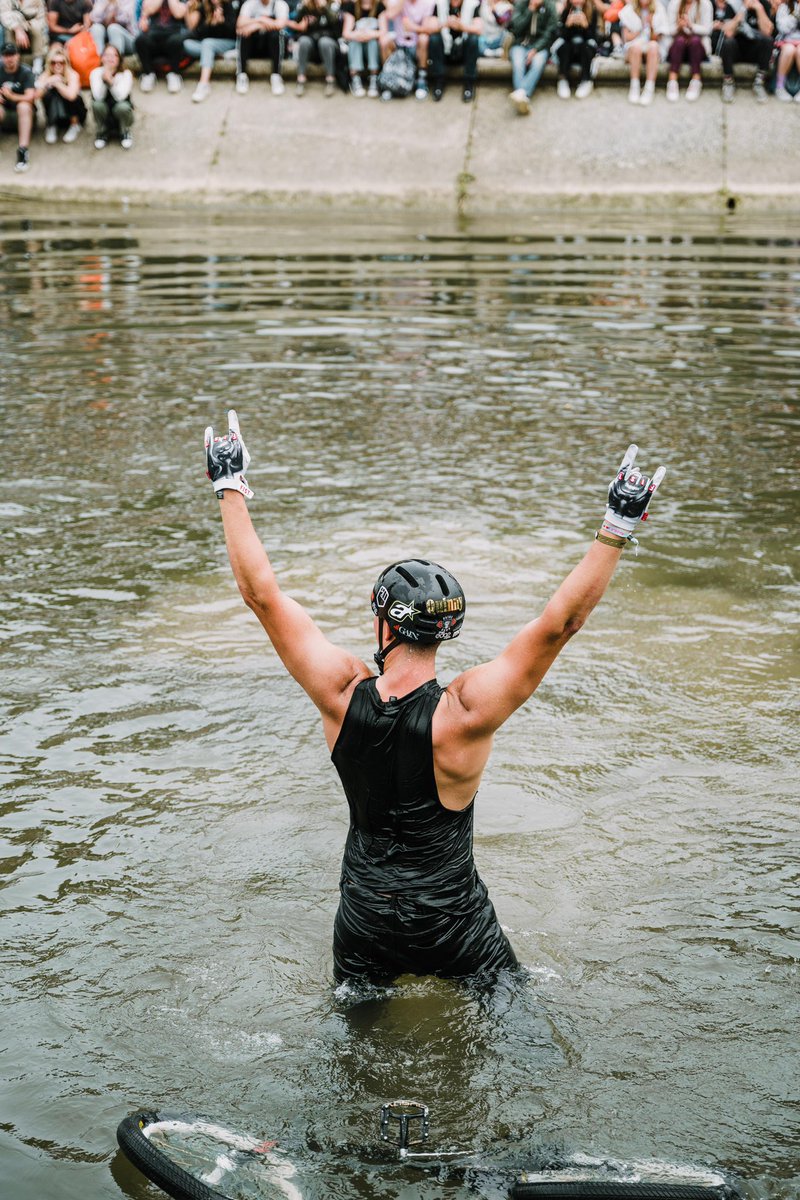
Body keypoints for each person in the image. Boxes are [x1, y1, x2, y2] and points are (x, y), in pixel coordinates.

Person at [204, 412, 666, 986]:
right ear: (447, 630)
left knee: (357, 1059)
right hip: (451, 922)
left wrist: (229, 485)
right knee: (512, 1025)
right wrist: (616, 525)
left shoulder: (339, 693)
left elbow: (260, 595)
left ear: (383, 622)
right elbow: (560, 624)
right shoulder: (465, 714)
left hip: (364, 918)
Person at [712, 0, 773, 101]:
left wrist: (759, 9)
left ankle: (759, 83)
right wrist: (742, 11)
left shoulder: (764, 4)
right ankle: (728, 82)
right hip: (737, 49)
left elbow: (767, 32)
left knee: (768, 41)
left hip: (754, 49)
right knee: (728, 43)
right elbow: (728, 32)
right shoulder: (732, 5)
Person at [507, 0, 558, 114]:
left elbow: (550, 33)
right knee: (518, 63)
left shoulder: (550, 6)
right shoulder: (521, 3)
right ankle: (523, 96)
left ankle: (520, 93)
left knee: (538, 63)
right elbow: (516, 28)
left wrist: (535, 49)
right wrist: (530, 10)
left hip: (540, 47)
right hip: (520, 44)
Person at [184, 0, 239, 101]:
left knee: (208, 43)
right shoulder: (204, 7)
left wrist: (222, 22)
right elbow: (198, 33)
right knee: (186, 44)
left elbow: (234, 32)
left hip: (227, 42)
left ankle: (204, 84)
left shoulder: (229, 6)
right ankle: (215, 55)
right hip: (208, 44)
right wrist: (211, 24)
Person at [381, 0, 436, 98]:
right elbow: (389, 15)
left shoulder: (428, 3)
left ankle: (421, 81)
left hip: (416, 45)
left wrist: (412, 27)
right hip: (398, 44)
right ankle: (388, 81)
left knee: (424, 38)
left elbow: (427, 28)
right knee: (384, 41)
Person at [35, 40, 86, 140]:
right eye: (53, 63)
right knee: (48, 94)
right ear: (49, 63)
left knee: (74, 96)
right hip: (57, 115)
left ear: (66, 63)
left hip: (75, 114)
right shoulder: (46, 75)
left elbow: (72, 96)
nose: (57, 65)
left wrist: (57, 83)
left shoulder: (72, 74)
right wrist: (47, 82)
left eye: (61, 62)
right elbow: (37, 95)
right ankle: (51, 125)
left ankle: (74, 125)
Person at [619, 0, 669, 102]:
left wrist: (651, 26)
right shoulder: (628, 10)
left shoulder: (659, 9)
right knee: (636, 47)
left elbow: (658, 38)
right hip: (633, 48)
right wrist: (640, 27)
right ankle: (634, 86)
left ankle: (649, 88)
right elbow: (626, 38)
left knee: (654, 46)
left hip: (650, 48)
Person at [235, 0, 288, 93]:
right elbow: (240, 23)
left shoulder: (280, 4)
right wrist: (260, 20)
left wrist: (256, 25)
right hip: (254, 47)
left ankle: (276, 75)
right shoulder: (249, 3)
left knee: (276, 35)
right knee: (244, 33)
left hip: (272, 49)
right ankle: (241, 74)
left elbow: (281, 24)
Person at [135, 0, 188, 92]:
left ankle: (174, 74)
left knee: (177, 41)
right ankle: (148, 74)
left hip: (173, 34)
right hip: (154, 34)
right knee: (140, 40)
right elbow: (148, 9)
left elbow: (178, 13)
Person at [292, 0, 342, 95]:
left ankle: (330, 80)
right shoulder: (306, 7)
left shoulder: (333, 5)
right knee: (303, 40)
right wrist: (303, 20)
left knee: (324, 42)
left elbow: (337, 26)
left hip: (330, 45)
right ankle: (301, 79)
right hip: (311, 45)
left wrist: (325, 8)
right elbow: (297, 26)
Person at [665, 0, 712, 98]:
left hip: (698, 48)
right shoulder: (674, 3)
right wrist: (679, 26)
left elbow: (708, 29)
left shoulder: (705, 4)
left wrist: (691, 26)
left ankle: (696, 79)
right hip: (678, 48)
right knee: (679, 41)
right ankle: (672, 81)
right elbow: (668, 30)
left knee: (695, 41)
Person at [0, 40, 35, 170]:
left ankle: (23, 150)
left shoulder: (26, 71)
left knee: (24, 105)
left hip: (26, 117)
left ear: (18, 55)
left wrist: (11, 96)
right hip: (5, 115)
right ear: (2, 57)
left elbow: (31, 97)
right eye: (6, 55)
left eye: (12, 55)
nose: (10, 58)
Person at [90, 40, 133, 144]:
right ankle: (102, 131)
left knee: (123, 107)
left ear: (119, 59)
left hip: (119, 109)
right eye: (107, 55)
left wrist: (111, 82)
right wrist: (104, 80)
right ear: (102, 58)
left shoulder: (126, 74)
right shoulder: (95, 73)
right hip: (104, 110)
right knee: (96, 105)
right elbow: (98, 96)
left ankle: (124, 131)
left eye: (114, 55)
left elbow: (121, 97)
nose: (110, 58)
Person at [555, 0, 600, 98]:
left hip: (585, 49)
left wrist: (585, 26)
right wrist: (567, 25)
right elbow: (561, 37)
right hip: (569, 49)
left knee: (586, 47)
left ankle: (586, 80)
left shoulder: (592, 11)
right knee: (564, 47)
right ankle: (563, 79)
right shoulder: (566, 11)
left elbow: (595, 39)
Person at [341, 0, 384, 96]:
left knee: (372, 42)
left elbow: (383, 31)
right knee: (355, 42)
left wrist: (371, 34)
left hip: (372, 43)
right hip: (357, 42)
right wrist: (359, 35)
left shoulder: (379, 6)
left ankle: (374, 78)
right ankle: (355, 78)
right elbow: (346, 33)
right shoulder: (351, 7)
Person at [0, 0, 48, 75]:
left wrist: (27, 25)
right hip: (13, 26)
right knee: (8, 30)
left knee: (37, 28)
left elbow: (42, 18)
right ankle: (12, 57)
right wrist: (17, 28)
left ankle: (37, 64)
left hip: (32, 26)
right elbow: (4, 15)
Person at [773, 0, 799, 98]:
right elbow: (782, 28)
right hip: (786, 41)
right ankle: (780, 87)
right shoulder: (784, 7)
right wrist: (796, 15)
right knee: (789, 50)